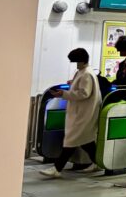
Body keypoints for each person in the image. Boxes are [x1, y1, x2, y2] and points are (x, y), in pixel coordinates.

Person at [40, 49, 102, 178]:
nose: (75, 64)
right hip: (82, 112)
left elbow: (84, 93)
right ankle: (97, 163)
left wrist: (64, 93)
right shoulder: (84, 72)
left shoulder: (86, 74)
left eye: (75, 61)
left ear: (80, 60)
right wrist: (72, 85)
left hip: (82, 114)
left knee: (71, 140)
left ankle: (57, 169)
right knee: (86, 141)